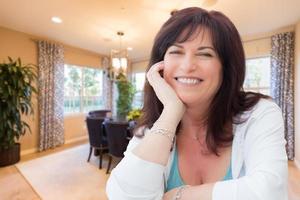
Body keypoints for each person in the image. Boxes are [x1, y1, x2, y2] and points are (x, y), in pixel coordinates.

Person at [106, 7, 288, 200]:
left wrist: (180, 195)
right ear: (160, 65)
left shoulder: (259, 113)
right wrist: (171, 112)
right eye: (176, 51)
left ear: (226, 68)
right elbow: (123, 195)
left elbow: (271, 192)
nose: (187, 66)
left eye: (205, 54)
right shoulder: (155, 128)